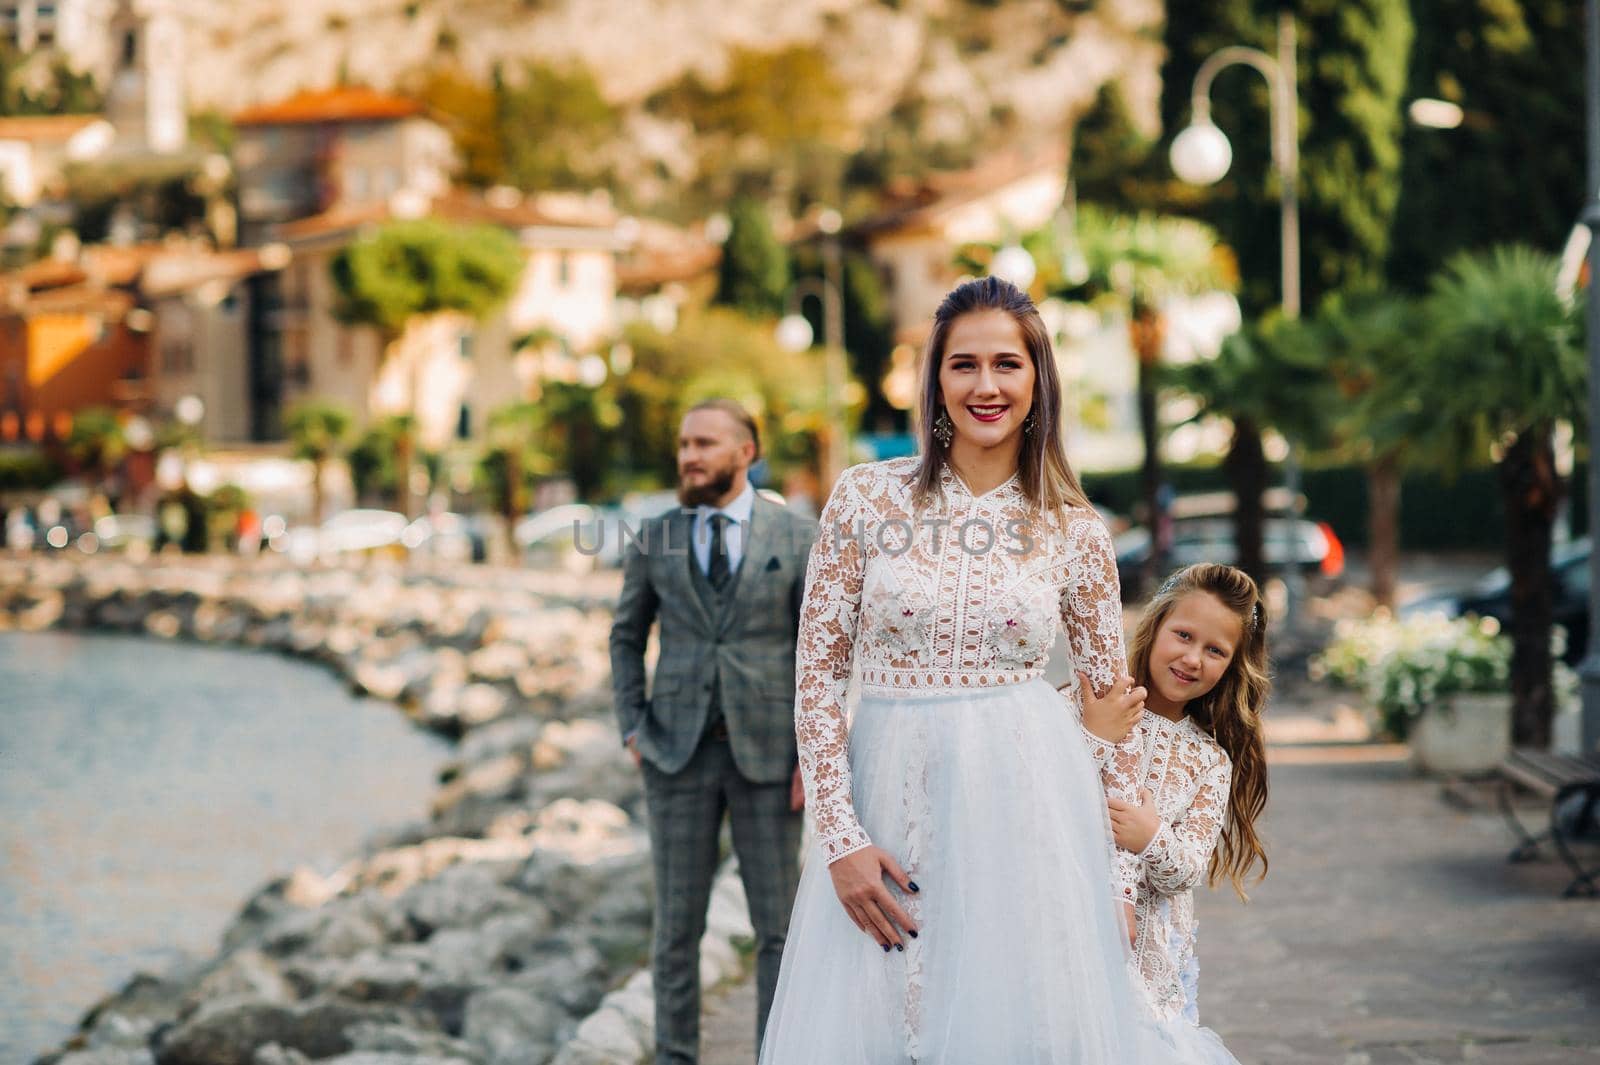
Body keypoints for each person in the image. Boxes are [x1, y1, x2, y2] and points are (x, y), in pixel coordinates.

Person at [758, 277, 1237, 1063]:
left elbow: (1114, 710)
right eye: (964, 364)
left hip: (1028, 809)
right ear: (936, 379)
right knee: (878, 1020)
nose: (986, 386)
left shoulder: (1075, 529)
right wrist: (839, 838)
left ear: (1037, 379)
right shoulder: (864, 499)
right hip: (884, 799)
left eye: (1007, 364)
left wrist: (1116, 880)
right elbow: (814, 676)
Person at [609, 397, 814, 1065]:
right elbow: (625, 635)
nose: (689, 455)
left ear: (745, 453)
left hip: (771, 756)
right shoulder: (656, 535)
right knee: (675, 930)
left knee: (778, 930)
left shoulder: (796, 536)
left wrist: (814, 754)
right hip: (675, 753)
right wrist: (633, 725)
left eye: (703, 443)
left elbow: (820, 651)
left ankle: (774, 1054)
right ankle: (674, 1056)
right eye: (683, 443)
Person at [1102, 563, 1270, 1031]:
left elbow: (1190, 868)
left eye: (1215, 650)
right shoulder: (1091, 706)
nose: (1193, 658)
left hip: (1149, 950)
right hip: (1072, 916)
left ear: (1232, 665)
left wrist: (1150, 836)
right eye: (1183, 635)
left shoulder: (1208, 762)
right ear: (1155, 628)